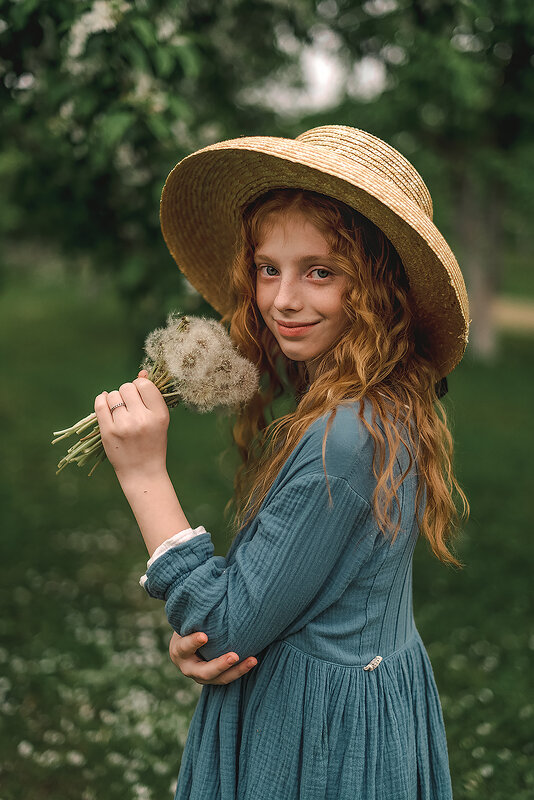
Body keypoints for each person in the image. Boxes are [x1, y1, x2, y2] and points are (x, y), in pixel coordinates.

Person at [94, 125, 470, 799]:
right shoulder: (387, 402)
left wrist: (143, 473)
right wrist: (216, 633)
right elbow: (276, 596)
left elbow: (228, 625)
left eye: (320, 272)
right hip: (365, 703)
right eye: (269, 268)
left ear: (378, 291)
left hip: (315, 744)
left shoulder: (345, 438)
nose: (283, 301)